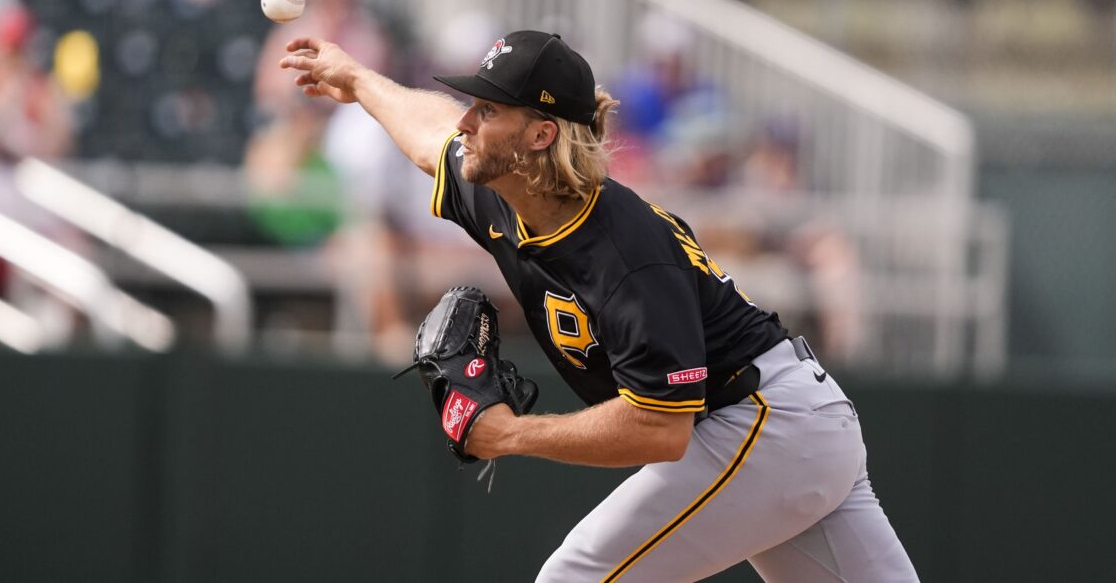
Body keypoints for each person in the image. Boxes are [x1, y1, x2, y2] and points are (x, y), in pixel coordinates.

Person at [280, 29, 918, 582]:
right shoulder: (507, 193)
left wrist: (510, 434)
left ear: (540, 133)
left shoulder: (624, 252)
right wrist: (358, 78)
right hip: (791, 424)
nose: (466, 124)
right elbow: (428, 138)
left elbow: (661, 429)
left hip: (758, 423)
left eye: (487, 110)